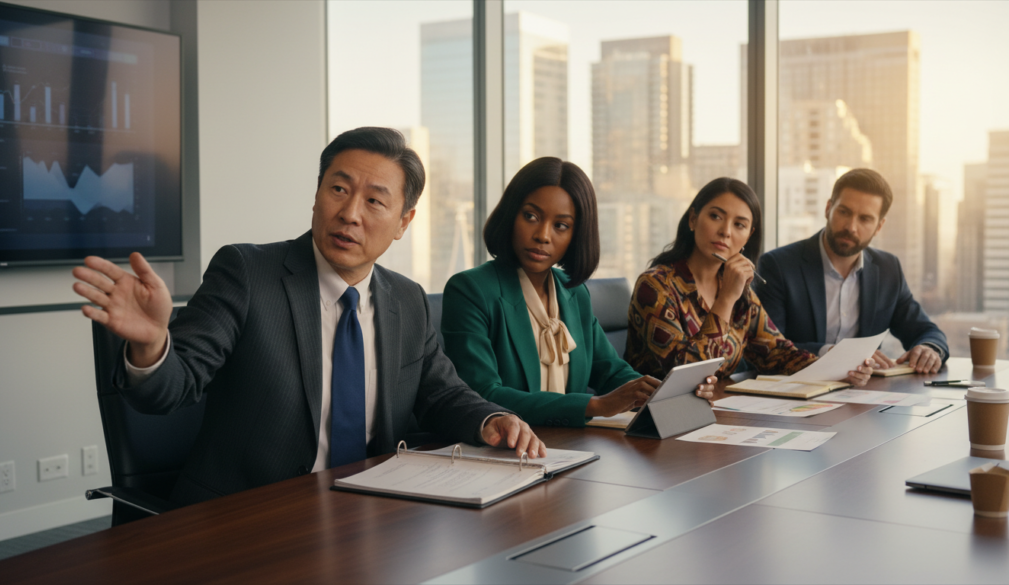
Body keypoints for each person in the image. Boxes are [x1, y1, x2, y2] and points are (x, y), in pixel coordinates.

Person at [71, 127, 545, 507]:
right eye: (338, 189)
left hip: (375, 513)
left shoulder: (407, 299)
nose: (350, 213)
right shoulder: (247, 273)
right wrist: (154, 345)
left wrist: (491, 419)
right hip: (249, 517)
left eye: (375, 201)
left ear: (404, 222)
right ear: (317, 194)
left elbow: (442, 393)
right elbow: (172, 388)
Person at [441, 158, 715, 428]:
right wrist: (594, 405)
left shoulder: (573, 292)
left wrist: (670, 393)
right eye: (531, 216)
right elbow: (483, 395)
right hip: (504, 453)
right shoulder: (470, 290)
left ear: (576, 235)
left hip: (569, 448)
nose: (543, 235)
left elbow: (610, 370)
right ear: (511, 215)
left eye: (561, 225)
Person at [625, 177, 874, 398]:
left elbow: (777, 353)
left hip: (715, 415)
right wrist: (726, 300)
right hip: (652, 422)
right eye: (715, 216)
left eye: (739, 225)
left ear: (748, 236)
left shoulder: (736, 287)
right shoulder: (656, 285)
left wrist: (843, 370)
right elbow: (686, 373)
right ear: (693, 219)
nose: (725, 231)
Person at [755, 168, 949, 374]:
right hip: (794, 391)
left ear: (879, 226)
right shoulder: (778, 266)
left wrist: (929, 349)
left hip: (863, 395)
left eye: (865, 219)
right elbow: (767, 346)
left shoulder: (888, 269)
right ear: (828, 208)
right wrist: (832, 353)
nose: (851, 227)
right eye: (844, 212)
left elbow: (925, 330)